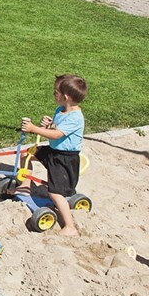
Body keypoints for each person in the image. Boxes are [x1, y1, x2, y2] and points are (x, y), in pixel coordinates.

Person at [21, 74, 87, 236]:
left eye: (55, 92)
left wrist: (34, 129)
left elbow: (57, 135)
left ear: (65, 97)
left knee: (55, 193)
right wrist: (49, 125)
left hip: (65, 158)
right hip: (54, 151)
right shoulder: (61, 110)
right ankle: (25, 185)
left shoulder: (75, 118)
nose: (53, 94)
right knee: (26, 155)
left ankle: (70, 227)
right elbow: (56, 129)